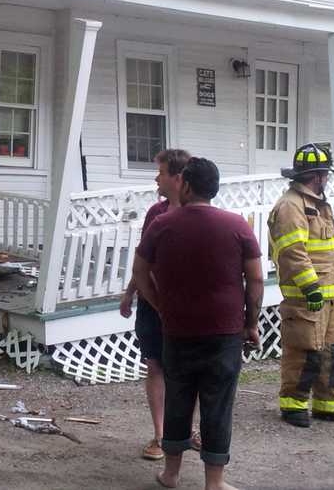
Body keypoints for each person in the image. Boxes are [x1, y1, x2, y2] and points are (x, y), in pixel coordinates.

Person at [133, 157, 264, 490]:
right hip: (224, 332)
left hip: (178, 331)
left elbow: (139, 272)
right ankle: (214, 482)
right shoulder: (237, 225)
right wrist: (251, 323)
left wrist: (160, 306)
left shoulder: (162, 224)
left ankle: (171, 474)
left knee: (178, 400)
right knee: (217, 405)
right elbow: (256, 279)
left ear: (187, 186)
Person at [268, 143, 334, 427]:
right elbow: (292, 251)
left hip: (328, 298)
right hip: (305, 297)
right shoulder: (291, 206)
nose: (327, 179)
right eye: (326, 174)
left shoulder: (319, 205)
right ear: (317, 176)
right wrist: (310, 287)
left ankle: (328, 406)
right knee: (304, 353)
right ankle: (293, 406)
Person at [120, 148, 196, 460]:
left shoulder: (199, 213)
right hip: (152, 303)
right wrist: (130, 293)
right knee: (155, 364)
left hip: (186, 306)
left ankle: (187, 431)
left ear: (178, 178)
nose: (156, 178)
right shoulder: (156, 213)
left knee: (188, 370)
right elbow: (144, 259)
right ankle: (161, 435)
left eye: (161, 173)